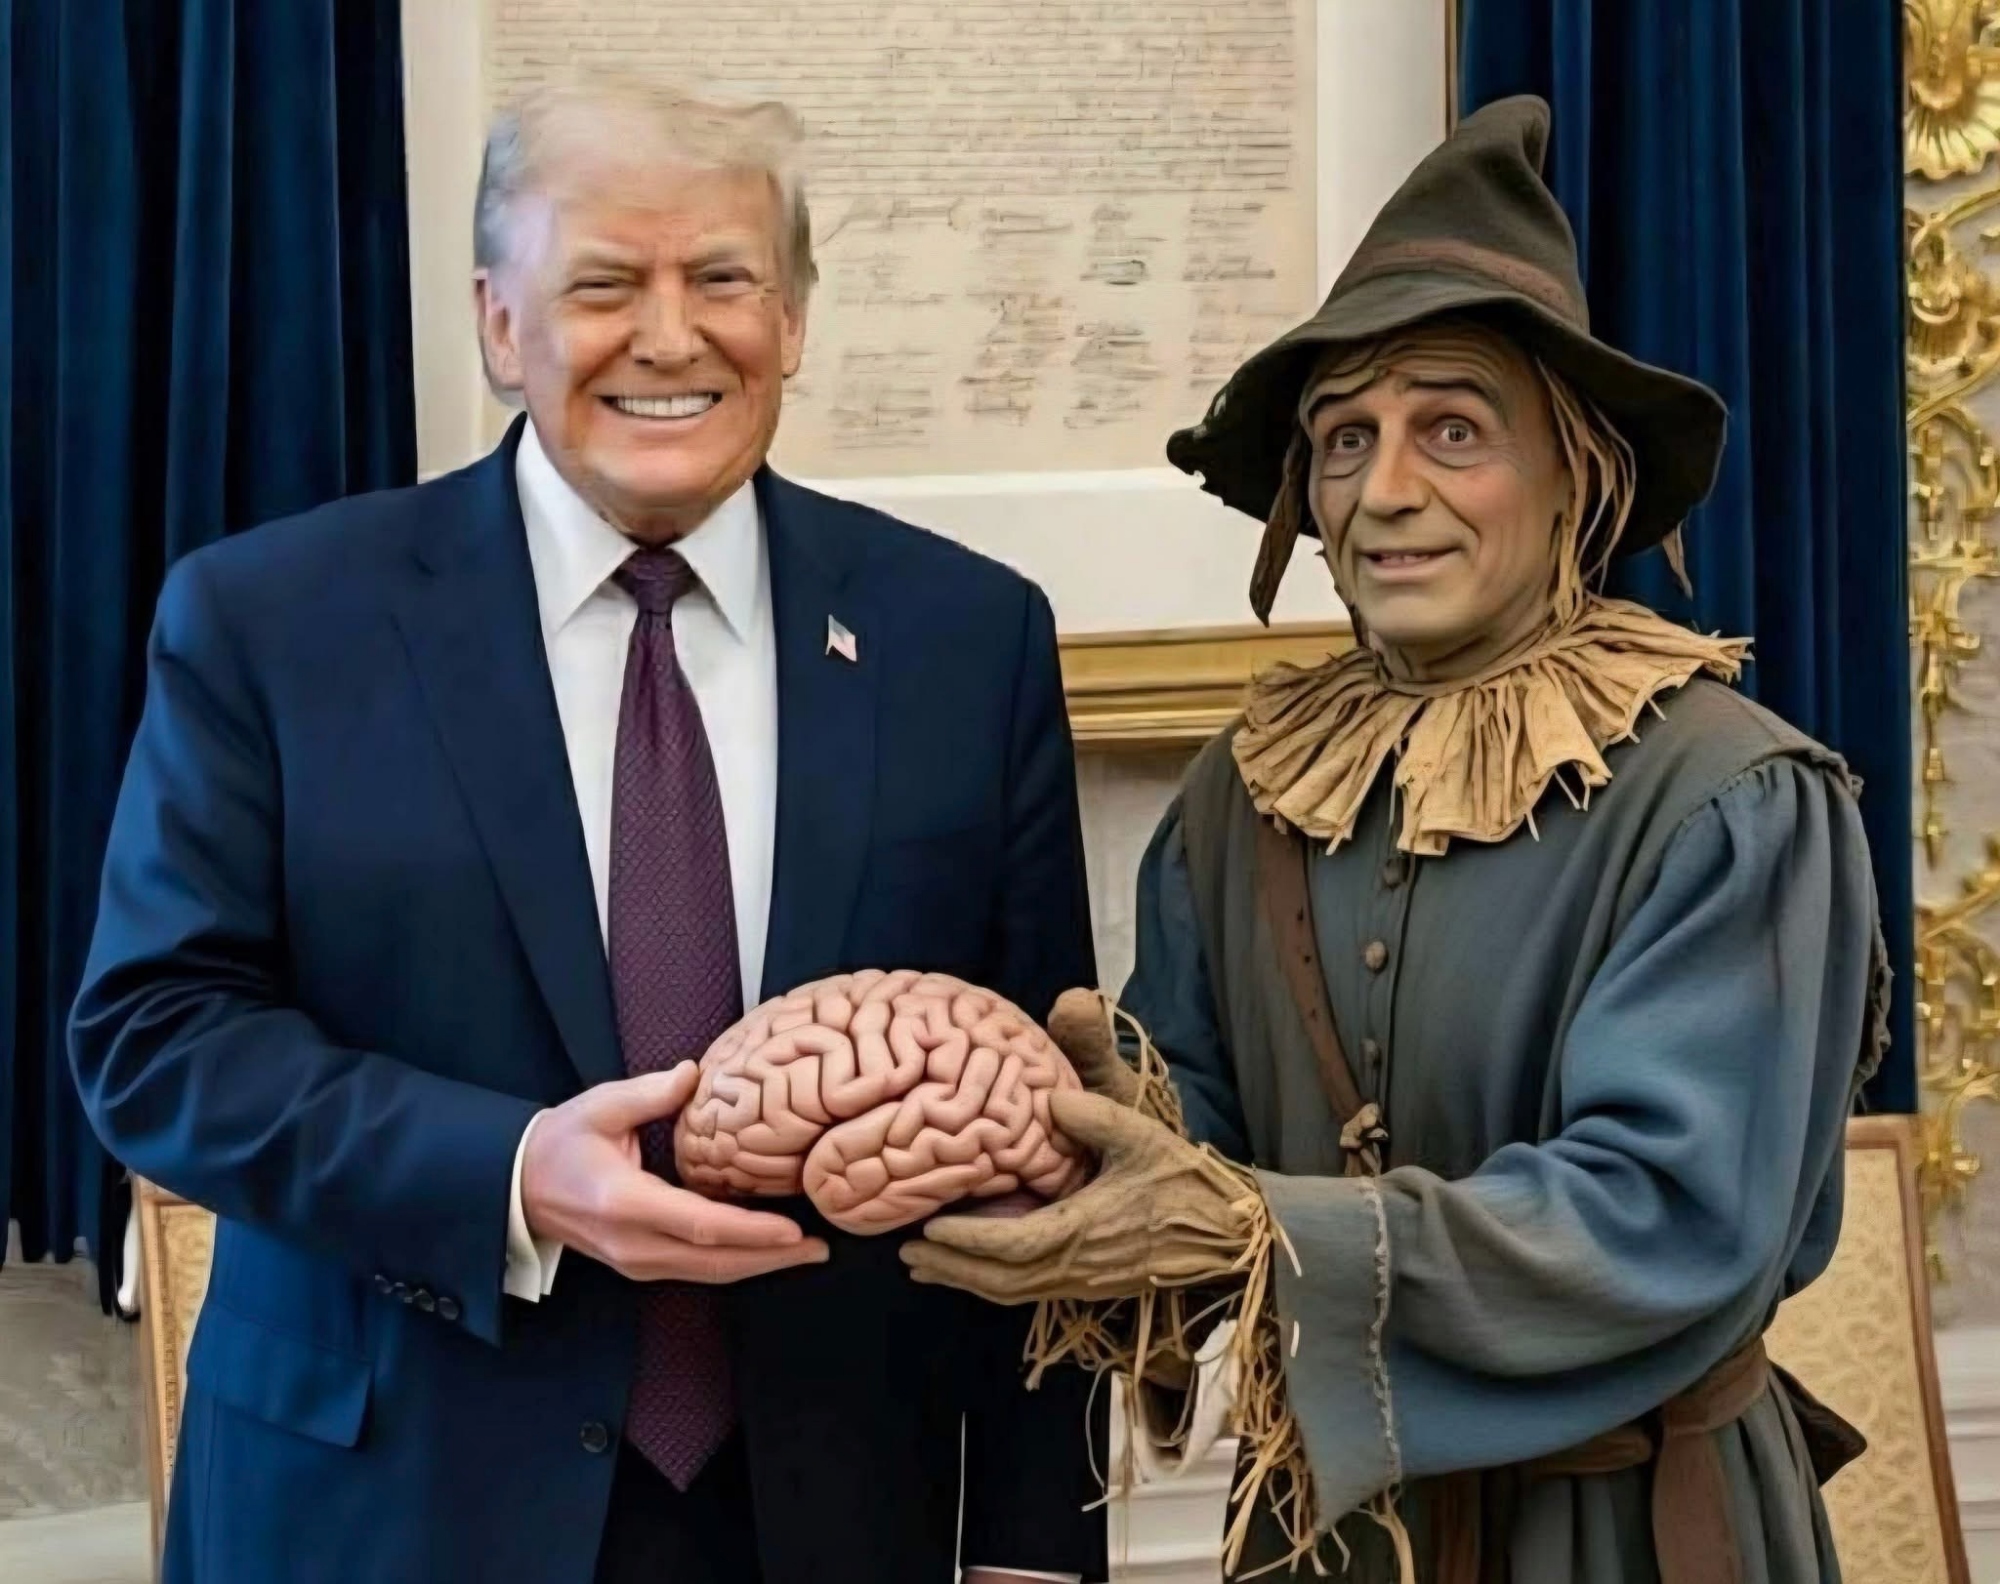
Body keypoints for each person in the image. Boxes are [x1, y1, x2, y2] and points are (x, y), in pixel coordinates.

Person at [70, 76, 1103, 1584]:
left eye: (724, 280)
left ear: (793, 320)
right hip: (383, 1512)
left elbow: (1054, 1128)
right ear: (501, 325)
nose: (672, 339)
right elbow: (155, 1038)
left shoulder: (968, 639)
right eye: (605, 285)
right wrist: (506, 1173)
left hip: (828, 1514)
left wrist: (1034, 1549)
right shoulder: (272, 623)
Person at [904, 95, 1884, 1583]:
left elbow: (1670, 1217)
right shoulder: (1245, 793)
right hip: (1333, 1536)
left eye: (1453, 430)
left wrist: (1252, 1231)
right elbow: (1196, 1139)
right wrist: (1064, 1143)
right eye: (1344, 440)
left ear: (1576, 470)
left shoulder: (1731, 798)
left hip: (1631, 1531)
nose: (1384, 492)